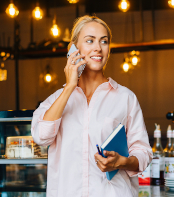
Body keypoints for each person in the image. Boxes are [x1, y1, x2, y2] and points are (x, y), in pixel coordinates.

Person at [31, 15, 153, 197]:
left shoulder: (125, 98)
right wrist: (70, 87)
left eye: (104, 41)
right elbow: (41, 137)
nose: (98, 47)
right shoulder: (57, 99)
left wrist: (121, 161)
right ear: (73, 48)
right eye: (90, 40)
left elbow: (143, 153)